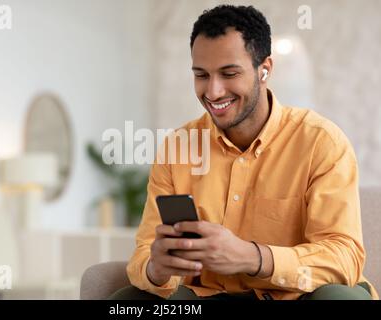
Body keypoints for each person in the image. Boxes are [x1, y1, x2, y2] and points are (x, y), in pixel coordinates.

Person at [109, 4, 377, 300]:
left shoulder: (321, 143)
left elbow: (343, 257)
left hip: (292, 295)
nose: (213, 92)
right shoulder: (178, 148)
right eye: (201, 75)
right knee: (127, 302)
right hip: (208, 296)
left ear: (265, 70)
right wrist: (156, 269)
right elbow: (144, 253)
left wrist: (253, 257)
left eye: (229, 73)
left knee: (342, 298)